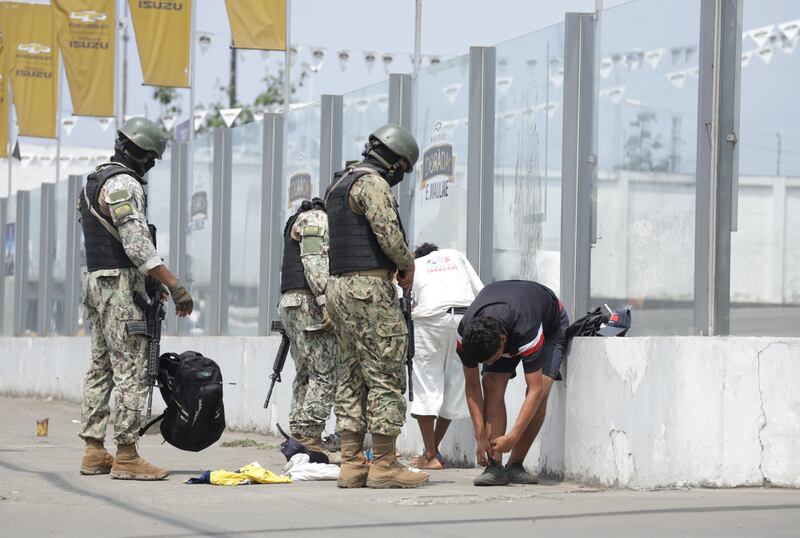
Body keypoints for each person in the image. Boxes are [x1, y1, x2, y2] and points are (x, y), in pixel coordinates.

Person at [77, 117, 194, 480]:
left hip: (97, 280)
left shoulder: (93, 181)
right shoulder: (124, 183)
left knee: (101, 367)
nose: (152, 166)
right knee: (131, 368)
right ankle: (126, 454)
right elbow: (136, 243)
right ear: (141, 154)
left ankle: (94, 450)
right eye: (152, 158)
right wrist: (174, 284)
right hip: (120, 285)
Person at [324, 124, 427, 489]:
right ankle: (384, 465)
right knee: (385, 374)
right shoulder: (372, 183)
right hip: (369, 287)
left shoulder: (338, 184)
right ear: (396, 163)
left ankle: (351, 466)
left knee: (351, 375)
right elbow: (387, 232)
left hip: (337, 287)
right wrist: (408, 263)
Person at [456, 280, 569, 486]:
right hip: (504, 318)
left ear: (502, 340)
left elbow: (534, 390)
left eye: (492, 358)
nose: (490, 363)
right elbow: (472, 386)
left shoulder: (525, 327)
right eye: (485, 361)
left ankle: (515, 464)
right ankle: (494, 467)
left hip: (549, 325)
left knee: (541, 393)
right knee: (490, 384)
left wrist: (512, 437)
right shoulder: (466, 334)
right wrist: (481, 435)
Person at [408, 243, 483, 469]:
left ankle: (430, 455)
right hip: (464, 317)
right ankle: (432, 452)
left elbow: (405, 299)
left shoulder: (414, 264)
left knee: (426, 384)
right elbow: (480, 290)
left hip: (429, 319)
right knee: (456, 385)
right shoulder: (455, 255)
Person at [278, 197, 338, 460]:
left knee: (305, 371)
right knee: (324, 372)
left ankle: (299, 433)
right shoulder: (316, 218)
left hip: (293, 302)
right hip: (307, 302)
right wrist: (326, 301)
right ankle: (311, 436)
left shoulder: (298, 219)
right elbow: (314, 263)